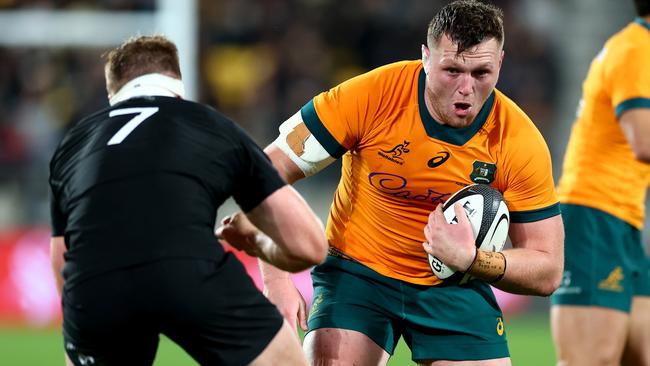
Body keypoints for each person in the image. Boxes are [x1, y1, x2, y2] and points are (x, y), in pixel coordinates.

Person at [218, 1, 564, 365]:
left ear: (501, 63)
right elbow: (261, 172)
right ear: (425, 57)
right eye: (451, 70)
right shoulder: (371, 96)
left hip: (455, 282)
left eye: (481, 73)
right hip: (358, 275)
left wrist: (474, 260)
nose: (466, 89)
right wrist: (277, 282)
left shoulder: (519, 140)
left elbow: (547, 269)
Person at [48, 35, 328, 366]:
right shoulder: (211, 126)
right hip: (188, 269)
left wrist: (84, 325)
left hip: (95, 288)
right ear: (178, 86)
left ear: (113, 93)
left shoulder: (73, 145)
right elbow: (310, 246)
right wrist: (254, 240)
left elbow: (62, 257)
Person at [550, 1, 650, 365]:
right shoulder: (637, 48)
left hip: (623, 217)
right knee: (590, 359)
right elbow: (644, 140)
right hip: (593, 213)